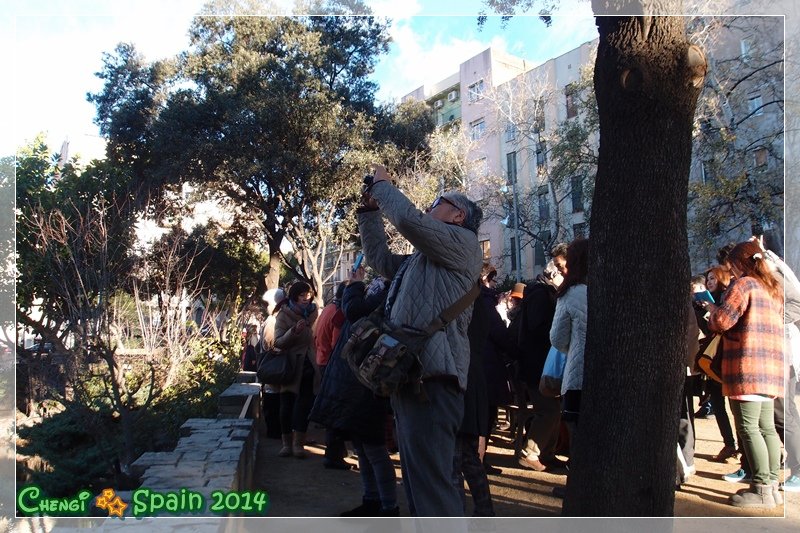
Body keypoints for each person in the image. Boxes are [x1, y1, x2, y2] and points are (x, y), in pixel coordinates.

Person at [357, 163, 483, 516]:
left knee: (433, 491)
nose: (429, 206)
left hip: (434, 382)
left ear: (458, 216)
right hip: (414, 377)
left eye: (437, 202)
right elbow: (380, 260)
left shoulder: (465, 243)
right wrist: (368, 212)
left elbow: (409, 221)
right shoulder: (427, 259)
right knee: (418, 485)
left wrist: (382, 186)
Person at [309, 268, 399, 516]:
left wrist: (355, 284)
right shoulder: (387, 287)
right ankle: (371, 499)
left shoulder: (390, 288)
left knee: (373, 447)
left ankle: (389, 506)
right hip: (357, 375)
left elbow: (354, 311)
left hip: (367, 378)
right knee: (362, 445)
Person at [704, 240, 784, 508]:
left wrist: (713, 312)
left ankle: (761, 488)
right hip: (770, 368)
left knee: (749, 428)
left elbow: (722, 321)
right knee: (767, 428)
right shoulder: (772, 288)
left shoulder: (744, 285)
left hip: (746, 366)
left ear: (739, 263)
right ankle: (771, 486)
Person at [516, 259, 566, 472]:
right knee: (548, 410)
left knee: (553, 408)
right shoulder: (540, 293)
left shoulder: (543, 293)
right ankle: (531, 452)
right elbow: (538, 328)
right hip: (537, 364)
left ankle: (546, 452)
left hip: (540, 363)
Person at [549, 238, 589, 498]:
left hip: (577, 376)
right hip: (609, 378)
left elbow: (557, 338)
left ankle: (578, 488)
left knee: (579, 438)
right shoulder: (614, 288)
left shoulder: (571, 293)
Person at [273, 281, 321, 459]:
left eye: (309, 295)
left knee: (304, 406)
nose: (306, 299)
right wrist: (293, 331)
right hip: (290, 366)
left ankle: (299, 444)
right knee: (286, 405)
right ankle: (286, 445)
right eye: (302, 296)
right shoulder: (283, 315)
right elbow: (278, 342)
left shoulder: (314, 313)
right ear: (294, 296)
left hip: (308, 366)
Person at [314, 281, 349, 470]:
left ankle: (336, 451)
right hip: (331, 364)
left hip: (322, 360)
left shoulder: (328, 308)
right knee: (336, 412)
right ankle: (334, 454)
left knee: (331, 409)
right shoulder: (339, 314)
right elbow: (338, 344)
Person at [260, 287, 286, 439]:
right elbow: (270, 344)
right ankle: (274, 431)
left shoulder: (274, 320)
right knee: (273, 403)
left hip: (274, 371)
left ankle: (276, 430)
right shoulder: (272, 321)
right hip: (274, 370)